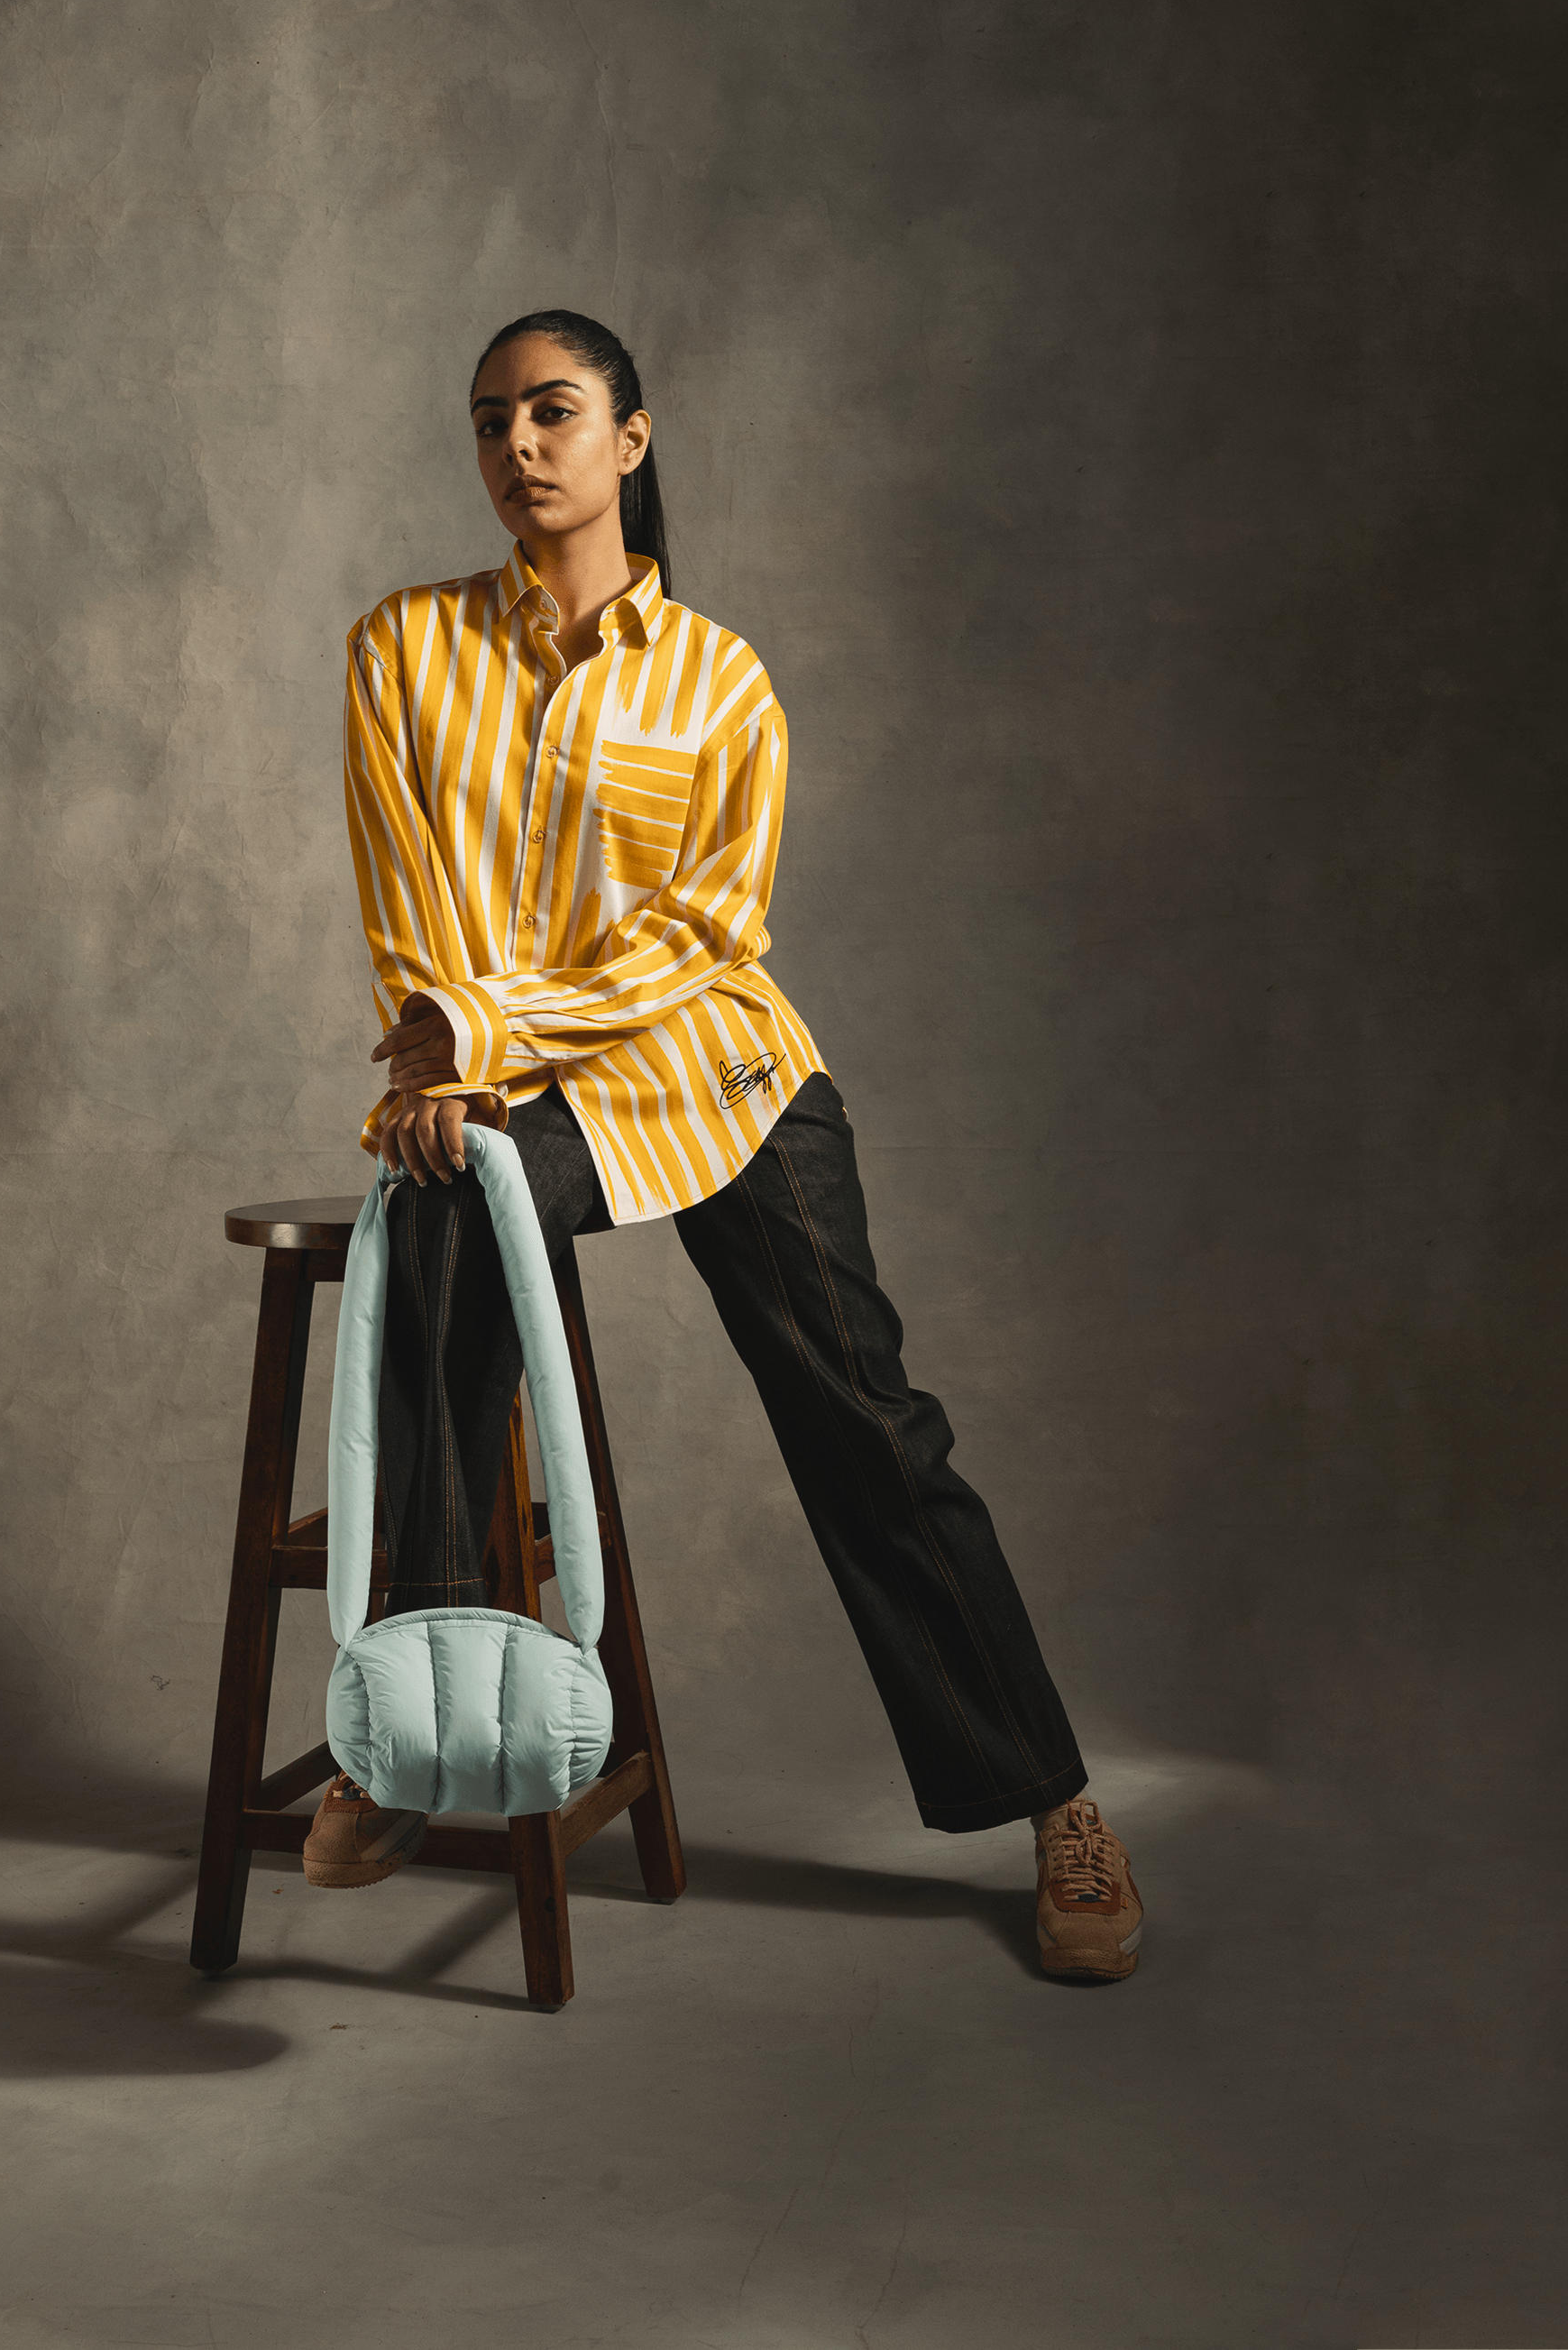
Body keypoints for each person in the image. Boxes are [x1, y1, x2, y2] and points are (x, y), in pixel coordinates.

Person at [301, 309, 1143, 1982]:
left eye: (553, 411)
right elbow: (410, 898)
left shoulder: (720, 681)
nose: (518, 444)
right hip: (518, 1093)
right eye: (490, 420)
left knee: (866, 1424)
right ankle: (420, 1731)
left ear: (630, 439)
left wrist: (475, 1032)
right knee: (443, 1237)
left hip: (721, 1080)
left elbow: (705, 937)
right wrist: (447, 1062)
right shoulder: (401, 646)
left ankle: (1053, 1798)